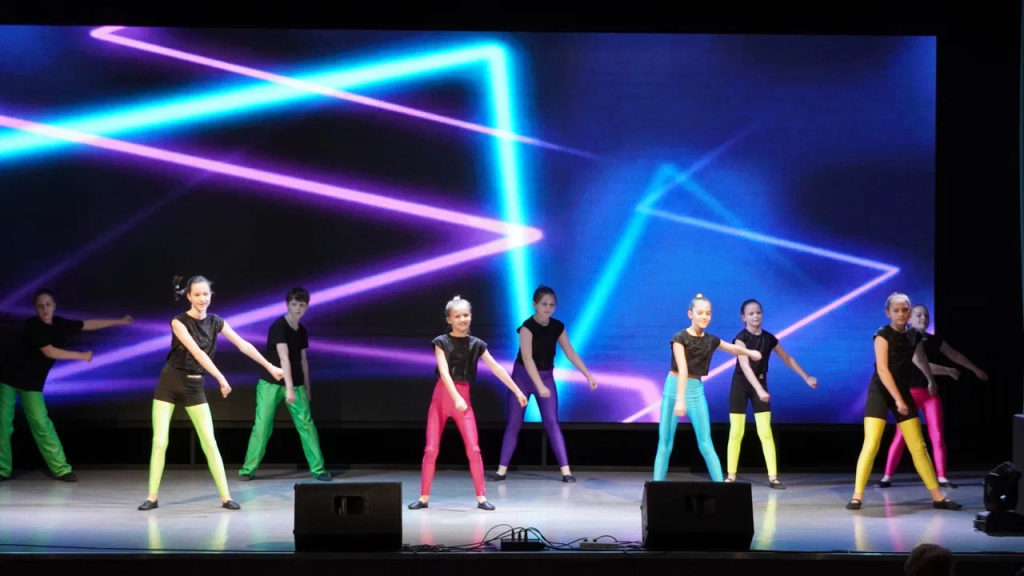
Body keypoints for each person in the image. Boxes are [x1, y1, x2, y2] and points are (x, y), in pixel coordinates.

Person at [138, 276, 283, 511]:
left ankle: (226, 497)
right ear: (189, 296)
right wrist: (221, 378)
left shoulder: (216, 322)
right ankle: (152, 497)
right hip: (169, 383)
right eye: (197, 294)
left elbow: (243, 344)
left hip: (194, 386)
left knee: (209, 442)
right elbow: (197, 353)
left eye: (205, 294)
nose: (202, 299)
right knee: (160, 441)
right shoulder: (178, 322)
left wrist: (270, 366)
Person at [408, 296, 528, 511]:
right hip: (442, 398)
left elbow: (496, 368)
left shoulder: (477, 344)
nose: (462, 319)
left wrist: (517, 390)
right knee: (431, 448)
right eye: (457, 316)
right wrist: (455, 397)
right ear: (449, 319)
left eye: (466, 315)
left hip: (464, 398)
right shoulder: (441, 342)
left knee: (473, 448)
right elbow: (444, 372)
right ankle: (424, 497)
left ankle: (481, 498)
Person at [0, 289, 132, 482]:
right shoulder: (33, 324)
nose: (44, 309)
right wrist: (81, 356)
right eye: (40, 306)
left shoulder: (61, 324)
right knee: (2, 424)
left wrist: (120, 321)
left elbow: (88, 324)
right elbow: (49, 351)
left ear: (54, 306)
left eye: (48, 304)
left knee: (42, 424)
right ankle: (2, 470)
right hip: (9, 379)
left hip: (31, 384)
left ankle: (61, 469)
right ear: (35, 308)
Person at [846, 293, 959, 511]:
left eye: (905, 310)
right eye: (896, 310)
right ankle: (857, 496)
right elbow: (882, 369)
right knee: (871, 443)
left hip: (902, 391)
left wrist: (930, 379)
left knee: (918, 446)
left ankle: (938, 497)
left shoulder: (913, 335)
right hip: (880, 391)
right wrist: (898, 399)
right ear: (888, 313)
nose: (901, 314)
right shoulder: (882, 334)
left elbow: (920, 360)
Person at [490, 285, 597, 483]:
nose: (548, 308)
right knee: (514, 422)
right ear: (535, 304)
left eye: (552, 305)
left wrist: (587, 375)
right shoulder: (526, 327)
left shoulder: (557, 326)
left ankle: (566, 471)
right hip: (522, 379)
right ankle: (501, 471)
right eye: (544, 304)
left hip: (546, 377)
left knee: (552, 422)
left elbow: (570, 352)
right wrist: (538, 386)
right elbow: (527, 358)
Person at [653, 294, 762, 483]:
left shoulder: (710, 340)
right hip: (674, 388)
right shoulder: (680, 338)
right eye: (700, 313)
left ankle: (721, 489)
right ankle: (656, 489)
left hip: (695, 390)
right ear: (690, 314)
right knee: (665, 444)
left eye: (708, 313)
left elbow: (732, 348)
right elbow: (683, 369)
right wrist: (679, 400)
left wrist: (749, 352)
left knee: (706, 443)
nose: (704, 317)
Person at [879, 304, 987, 489]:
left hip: (930, 395)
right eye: (919, 315)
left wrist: (975, 369)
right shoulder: (904, 339)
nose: (923, 318)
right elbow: (922, 364)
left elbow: (954, 354)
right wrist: (947, 370)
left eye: (926, 315)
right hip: (910, 394)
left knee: (937, 435)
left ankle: (942, 476)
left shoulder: (933, 340)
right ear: (910, 318)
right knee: (902, 436)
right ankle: (887, 476)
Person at [239, 287, 330, 482]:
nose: (298, 308)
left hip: (296, 384)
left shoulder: (301, 330)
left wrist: (307, 387)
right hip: (271, 383)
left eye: (302, 305)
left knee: (307, 426)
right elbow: (284, 358)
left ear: (307, 306)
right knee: (262, 426)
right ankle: (248, 469)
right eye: (294, 304)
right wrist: (289, 388)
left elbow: (303, 360)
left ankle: (319, 469)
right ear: (287, 305)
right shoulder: (278, 326)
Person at [726, 299, 817, 488]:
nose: (755, 316)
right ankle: (731, 476)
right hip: (740, 386)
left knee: (765, 432)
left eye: (758, 312)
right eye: (751, 313)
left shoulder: (769, 338)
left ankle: (773, 477)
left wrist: (806, 377)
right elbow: (745, 366)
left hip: (760, 383)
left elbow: (787, 358)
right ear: (743, 317)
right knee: (736, 431)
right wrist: (759, 389)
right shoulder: (740, 339)